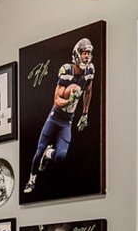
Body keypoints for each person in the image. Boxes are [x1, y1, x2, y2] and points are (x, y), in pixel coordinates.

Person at [24, 38, 95, 195]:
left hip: (67, 121)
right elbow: (56, 102)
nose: (86, 56)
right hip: (55, 117)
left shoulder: (90, 71)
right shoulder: (66, 71)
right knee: (38, 151)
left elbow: (88, 91)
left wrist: (85, 113)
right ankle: (32, 179)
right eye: (84, 53)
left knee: (61, 156)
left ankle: (48, 154)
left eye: (88, 53)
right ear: (77, 54)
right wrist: (69, 100)